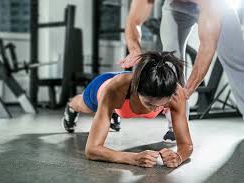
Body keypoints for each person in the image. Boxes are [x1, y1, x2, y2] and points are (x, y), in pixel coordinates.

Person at [120, 0, 244, 139]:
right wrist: (134, 50)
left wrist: (187, 91)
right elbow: (133, 21)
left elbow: (207, 47)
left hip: (217, 6)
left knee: (237, 62)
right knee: (170, 62)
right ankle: (176, 126)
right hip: (176, 9)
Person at [62, 51, 193, 168]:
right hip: (103, 88)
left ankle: (112, 113)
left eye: (162, 105)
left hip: (121, 100)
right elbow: (92, 150)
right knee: (84, 105)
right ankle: (72, 106)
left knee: (113, 109)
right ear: (136, 90)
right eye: (149, 103)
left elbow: (186, 145)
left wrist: (179, 157)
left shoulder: (176, 95)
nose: (156, 109)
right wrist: (132, 158)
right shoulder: (114, 90)